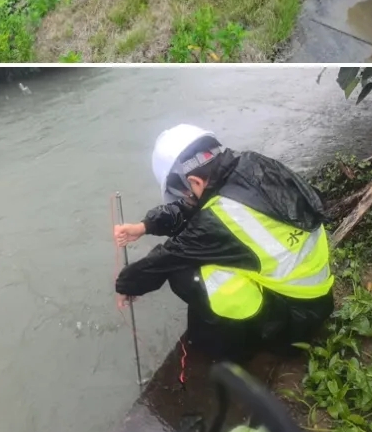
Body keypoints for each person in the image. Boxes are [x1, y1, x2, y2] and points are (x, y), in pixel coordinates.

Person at [113, 125, 335, 363]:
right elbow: (192, 209)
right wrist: (145, 226)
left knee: (184, 272)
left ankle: (232, 348)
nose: (187, 199)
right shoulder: (253, 164)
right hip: (318, 299)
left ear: (195, 181)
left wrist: (126, 285)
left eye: (187, 192)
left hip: (293, 326)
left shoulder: (221, 217)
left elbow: (168, 258)